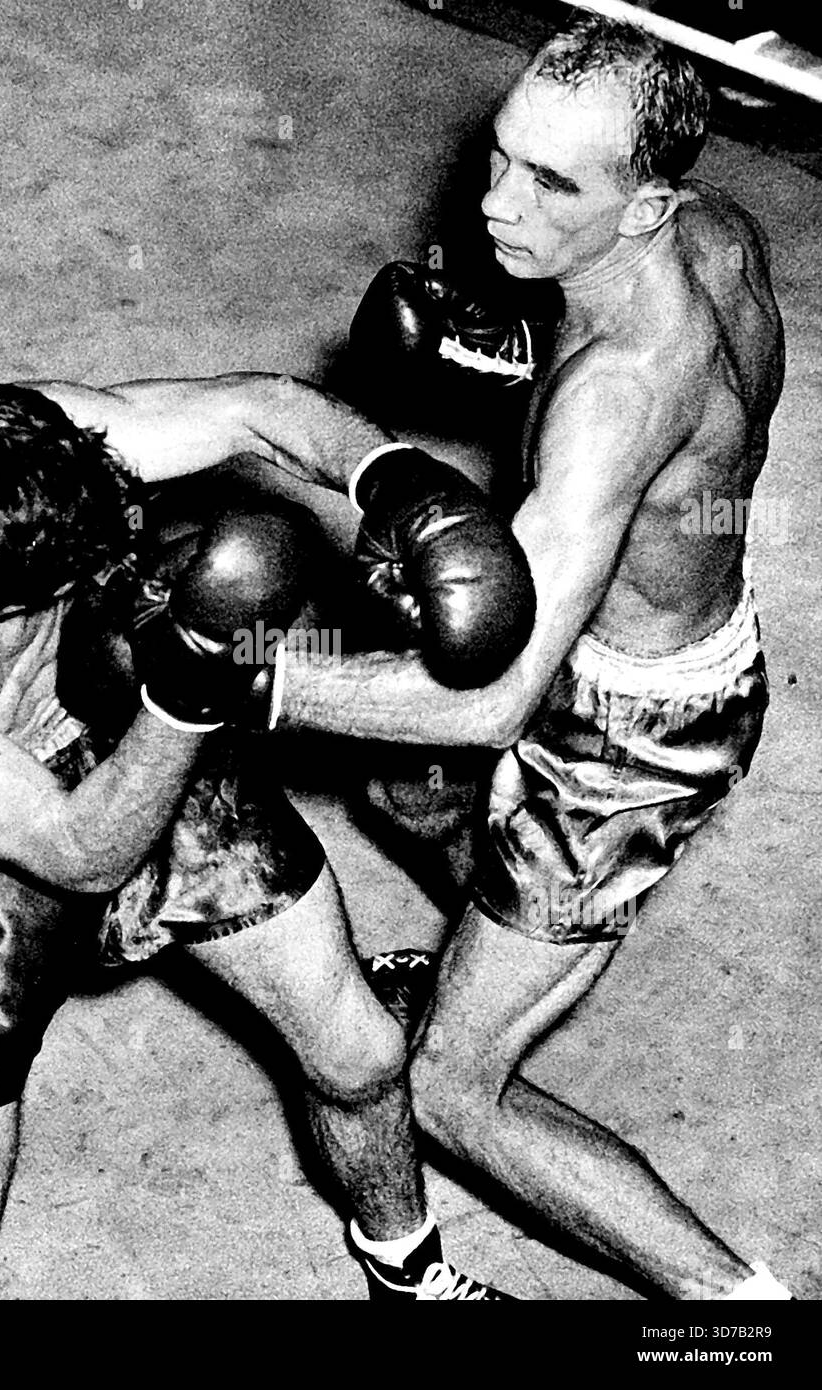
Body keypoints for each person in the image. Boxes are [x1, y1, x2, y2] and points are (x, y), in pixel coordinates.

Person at [0, 374, 533, 1300]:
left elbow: (254, 408)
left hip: (130, 720)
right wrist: (191, 691)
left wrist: (403, 482)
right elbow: (81, 851)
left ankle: (406, 1274)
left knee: (360, 1053)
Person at [278, 13, 794, 1299]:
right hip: (633, 635)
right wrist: (505, 351)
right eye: (501, 158)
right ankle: (489, 942)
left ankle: (742, 1312)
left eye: (552, 184)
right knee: (394, 778)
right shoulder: (719, 233)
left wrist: (254, 681)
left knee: (451, 1087)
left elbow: (489, 697)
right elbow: (678, 436)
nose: (498, 206)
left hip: (626, 741)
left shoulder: (617, 393)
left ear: (643, 202)